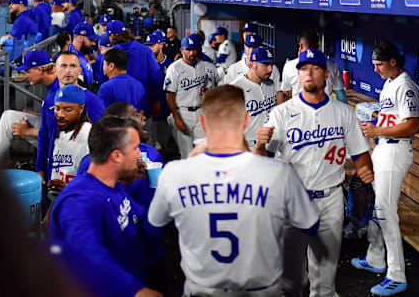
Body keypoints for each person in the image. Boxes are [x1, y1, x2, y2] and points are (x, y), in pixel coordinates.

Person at [148, 85, 319, 296]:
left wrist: (192, 158)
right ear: (246, 120)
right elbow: (310, 224)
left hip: (202, 289)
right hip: (262, 289)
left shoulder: (174, 173)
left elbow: (155, 222)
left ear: (202, 122)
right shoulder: (279, 172)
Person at [255, 48, 374, 297]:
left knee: (326, 276)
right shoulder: (281, 113)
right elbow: (260, 162)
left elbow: (360, 154)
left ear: (326, 75)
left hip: (330, 199)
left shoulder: (343, 113)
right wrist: (258, 144)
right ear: (297, 75)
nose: (308, 73)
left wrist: (366, 171)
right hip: (292, 199)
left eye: (314, 68)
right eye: (303, 68)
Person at [49, 116, 163, 297]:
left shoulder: (115, 184)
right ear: (117, 155)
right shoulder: (79, 203)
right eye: (135, 148)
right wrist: (136, 291)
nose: (140, 155)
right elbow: (88, 255)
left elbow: (136, 218)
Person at [351, 41, 419, 296]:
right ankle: (375, 258)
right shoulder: (389, 83)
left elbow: (413, 126)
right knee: (375, 205)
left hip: (396, 151)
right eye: (374, 64)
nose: (376, 69)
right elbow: (392, 119)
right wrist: (376, 126)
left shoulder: (406, 86)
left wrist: (379, 130)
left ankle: (396, 275)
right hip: (383, 148)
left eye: (379, 64)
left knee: (384, 211)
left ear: (393, 61)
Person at [36, 51, 106, 184]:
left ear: (79, 70)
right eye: (63, 66)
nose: (68, 71)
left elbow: (102, 140)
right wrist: (40, 168)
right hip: (54, 172)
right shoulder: (50, 101)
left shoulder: (93, 101)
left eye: (73, 66)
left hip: (82, 175)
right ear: (55, 70)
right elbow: (44, 135)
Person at [0, 50, 58, 166]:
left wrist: (27, 131)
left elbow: (61, 133)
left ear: (40, 70)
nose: (25, 76)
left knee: (8, 119)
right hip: (55, 134)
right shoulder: (54, 84)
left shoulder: (58, 91)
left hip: (63, 146)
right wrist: (43, 115)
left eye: (27, 71)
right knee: (8, 116)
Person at [164, 34, 219, 159]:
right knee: (187, 154)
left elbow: (213, 89)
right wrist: (177, 118)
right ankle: (188, 179)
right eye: (188, 50)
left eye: (194, 49)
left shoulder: (206, 67)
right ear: (182, 50)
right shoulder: (174, 68)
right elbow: (170, 94)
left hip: (201, 111)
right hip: (183, 112)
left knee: (204, 151)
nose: (192, 53)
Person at [107, 20, 163, 119]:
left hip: (117, 109)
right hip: (143, 108)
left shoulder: (111, 54)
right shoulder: (146, 51)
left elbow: (104, 80)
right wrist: (157, 101)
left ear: (112, 36)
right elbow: (156, 78)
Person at [47, 84, 92, 196]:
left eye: (68, 110)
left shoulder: (88, 135)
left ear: (80, 108)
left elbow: (97, 184)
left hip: (79, 207)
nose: (60, 115)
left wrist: (68, 189)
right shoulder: (61, 132)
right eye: (57, 109)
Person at [231, 47, 277, 151]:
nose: (270, 70)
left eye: (271, 65)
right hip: (248, 146)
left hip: (271, 144)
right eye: (265, 65)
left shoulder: (271, 84)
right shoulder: (235, 88)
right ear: (252, 64)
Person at [281, 30, 347, 103]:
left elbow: (288, 93)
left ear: (301, 46)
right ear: (318, 47)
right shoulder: (332, 65)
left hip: (298, 112)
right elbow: (341, 97)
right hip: (325, 110)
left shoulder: (289, 66)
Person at [98, 48, 147, 113]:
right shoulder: (139, 85)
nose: (103, 67)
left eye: (104, 64)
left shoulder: (106, 88)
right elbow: (141, 112)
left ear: (111, 66)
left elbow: (102, 116)